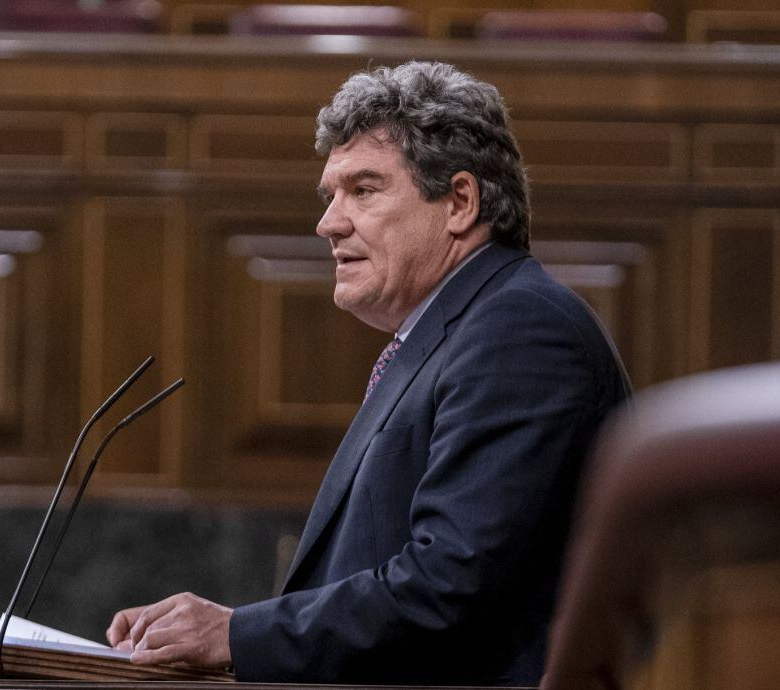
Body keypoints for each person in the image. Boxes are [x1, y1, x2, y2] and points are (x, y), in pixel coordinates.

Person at [106, 61, 631, 686]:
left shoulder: (518, 332)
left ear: (460, 202)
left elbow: (448, 589)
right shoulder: (462, 331)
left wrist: (233, 635)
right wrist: (230, 631)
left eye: (364, 190)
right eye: (331, 196)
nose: (329, 222)